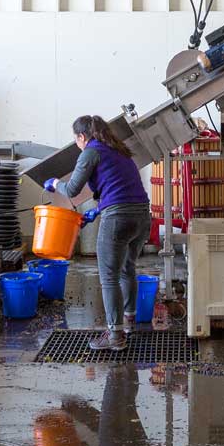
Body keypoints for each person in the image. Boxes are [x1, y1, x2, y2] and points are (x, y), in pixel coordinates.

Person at [45, 115, 151, 351]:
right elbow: (120, 188)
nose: (77, 144)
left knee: (109, 277)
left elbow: (72, 189)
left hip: (119, 218)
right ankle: (130, 323)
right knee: (127, 269)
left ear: (82, 136)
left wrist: (54, 184)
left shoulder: (90, 152)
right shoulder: (119, 151)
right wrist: (97, 210)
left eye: (76, 140)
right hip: (142, 216)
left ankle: (115, 336)